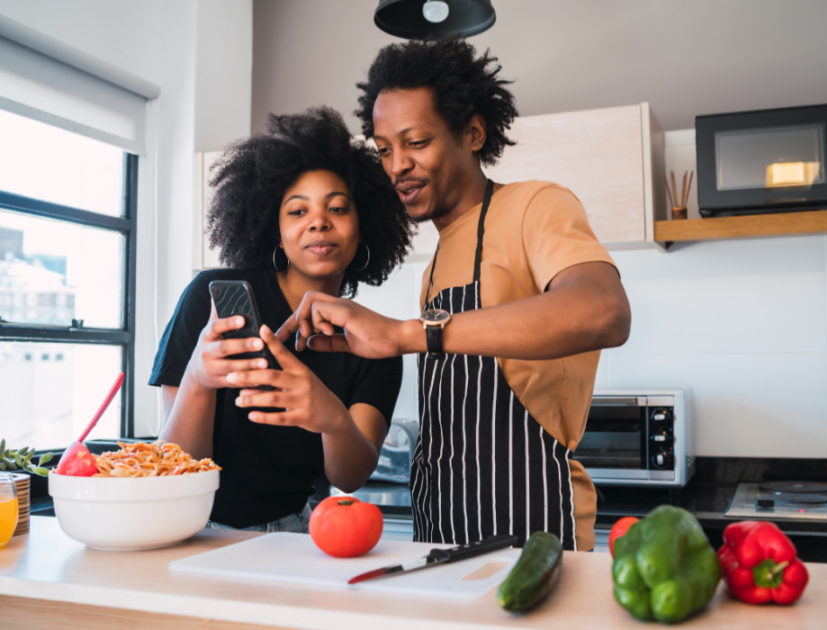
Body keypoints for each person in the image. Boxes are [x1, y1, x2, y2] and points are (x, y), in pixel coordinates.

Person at [279, 39, 631, 551]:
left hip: (530, 523)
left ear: (472, 132)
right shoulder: (438, 261)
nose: (396, 165)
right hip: (439, 527)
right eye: (383, 149)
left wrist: (404, 334)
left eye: (415, 142)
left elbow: (604, 311)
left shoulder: (536, 205)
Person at [149, 107, 413, 531]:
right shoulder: (211, 299)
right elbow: (175, 462)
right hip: (189, 529)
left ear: (363, 228)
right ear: (274, 228)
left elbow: (350, 476)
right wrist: (199, 379)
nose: (319, 222)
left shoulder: (376, 341)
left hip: (291, 534)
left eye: (338, 208)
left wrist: (332, 418)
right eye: (297, 211)